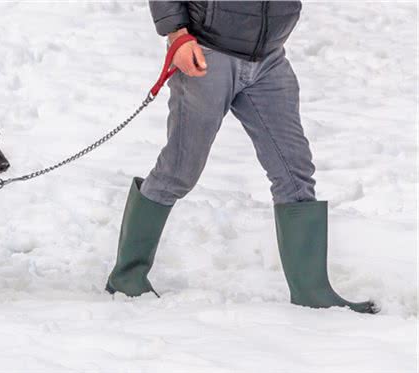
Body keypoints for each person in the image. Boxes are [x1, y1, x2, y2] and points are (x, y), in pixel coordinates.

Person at [105, 1, 377, 314]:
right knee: (179, 171)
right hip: (206, 54)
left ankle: (312, 291)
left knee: (295, 172)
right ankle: (128, 276)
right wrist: (176, 34)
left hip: (269, 58)